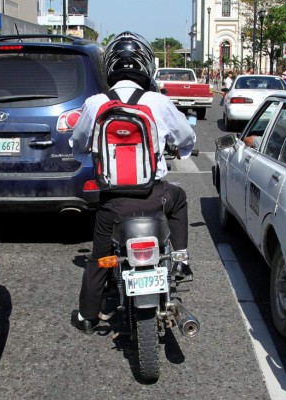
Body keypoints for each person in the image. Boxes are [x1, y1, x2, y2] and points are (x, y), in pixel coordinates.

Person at [68, 31, 196, 334]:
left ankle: (88, 314)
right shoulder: (158, 102)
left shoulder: (96, 103)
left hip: (113, 203)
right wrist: (183, 149)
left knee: (100, 259)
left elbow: (78, 142)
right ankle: (179, 258)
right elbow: (186, 137)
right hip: (155, 195)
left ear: (109, 68)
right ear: (147, 66)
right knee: (179, 199)